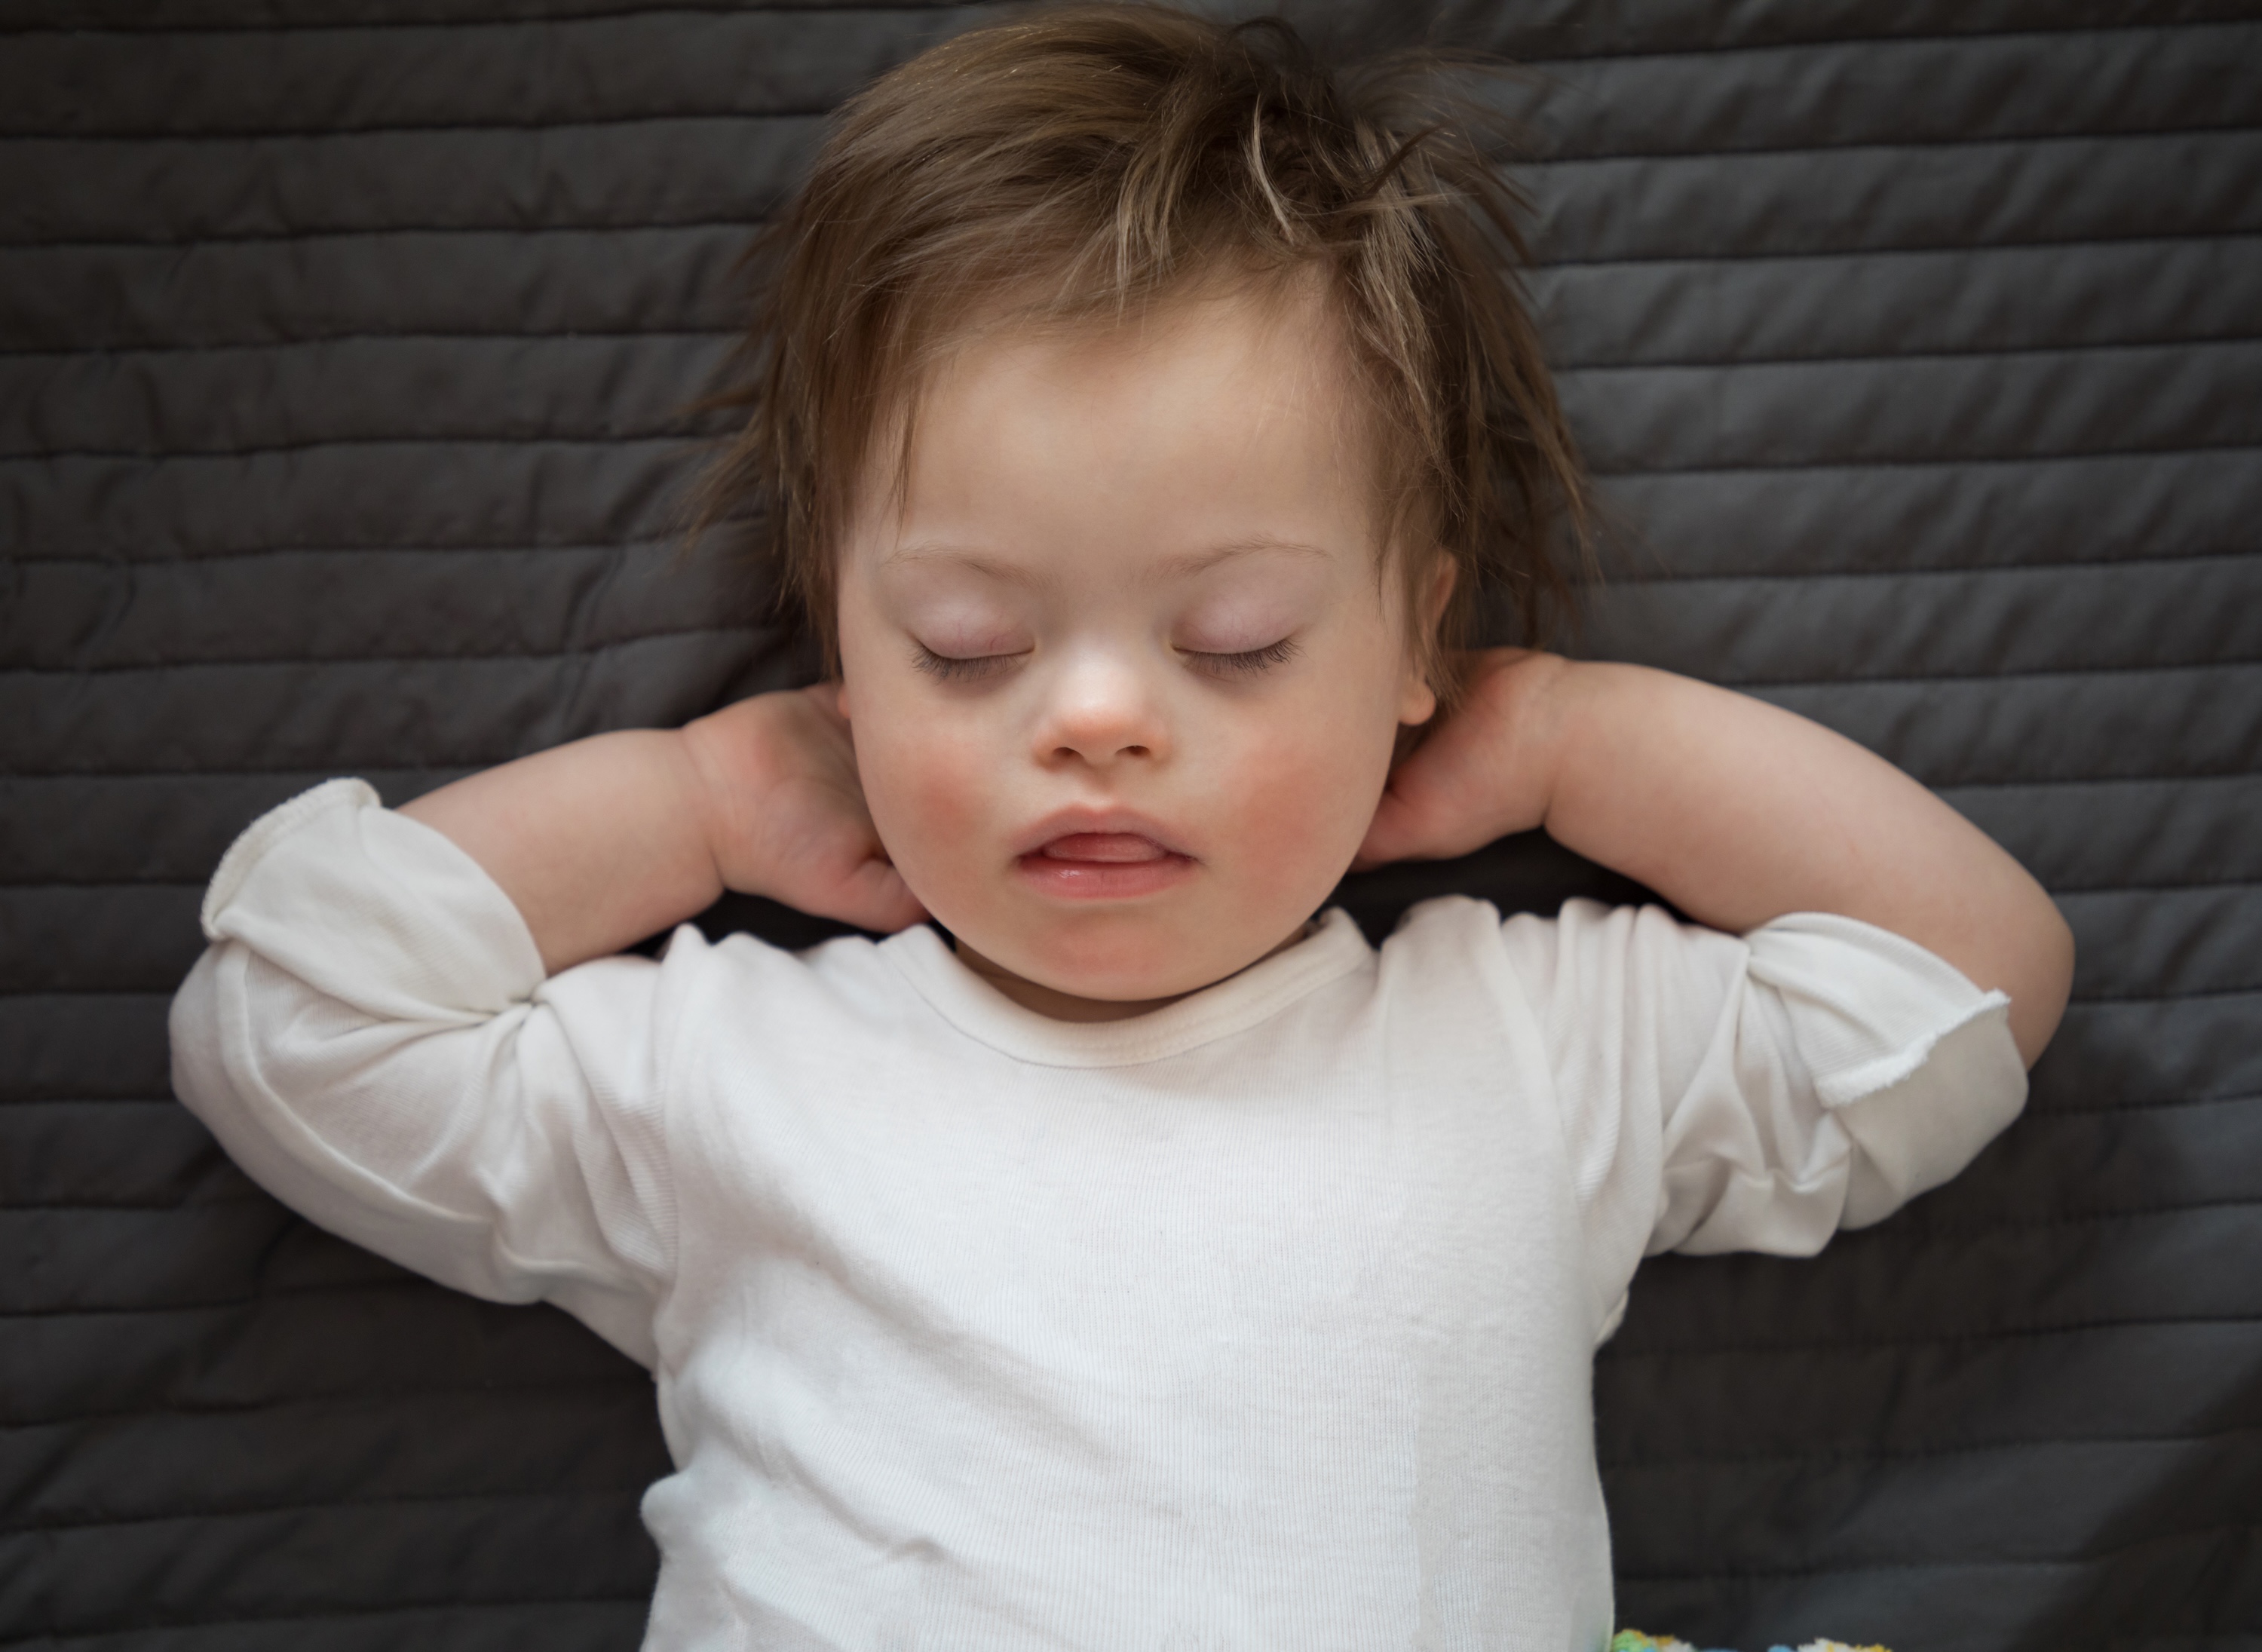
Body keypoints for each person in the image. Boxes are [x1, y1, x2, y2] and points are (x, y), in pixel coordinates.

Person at [167, 8, 2074, 1647]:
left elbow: (1968, 987)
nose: (1091, 722)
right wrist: (695, 798)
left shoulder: (1532, 1040)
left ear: (1415, 632)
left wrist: (1570, 738)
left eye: (1235, 645)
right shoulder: (733, 1067)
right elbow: (297, 1025)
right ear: (841, 651)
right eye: (967, 646)